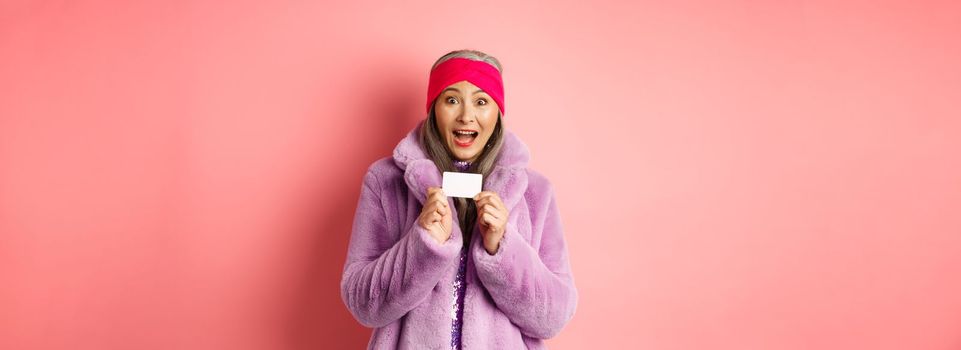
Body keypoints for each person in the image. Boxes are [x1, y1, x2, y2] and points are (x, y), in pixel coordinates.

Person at [340, 49, 577, 349]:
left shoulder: (536, 193)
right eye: (452, 99)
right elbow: (361, 302)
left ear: (497, 112)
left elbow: (554, 316)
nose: (466, 115)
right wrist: (421, 246)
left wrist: (502, 247)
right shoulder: (385, 182)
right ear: (434, 108)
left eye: (481, 101)